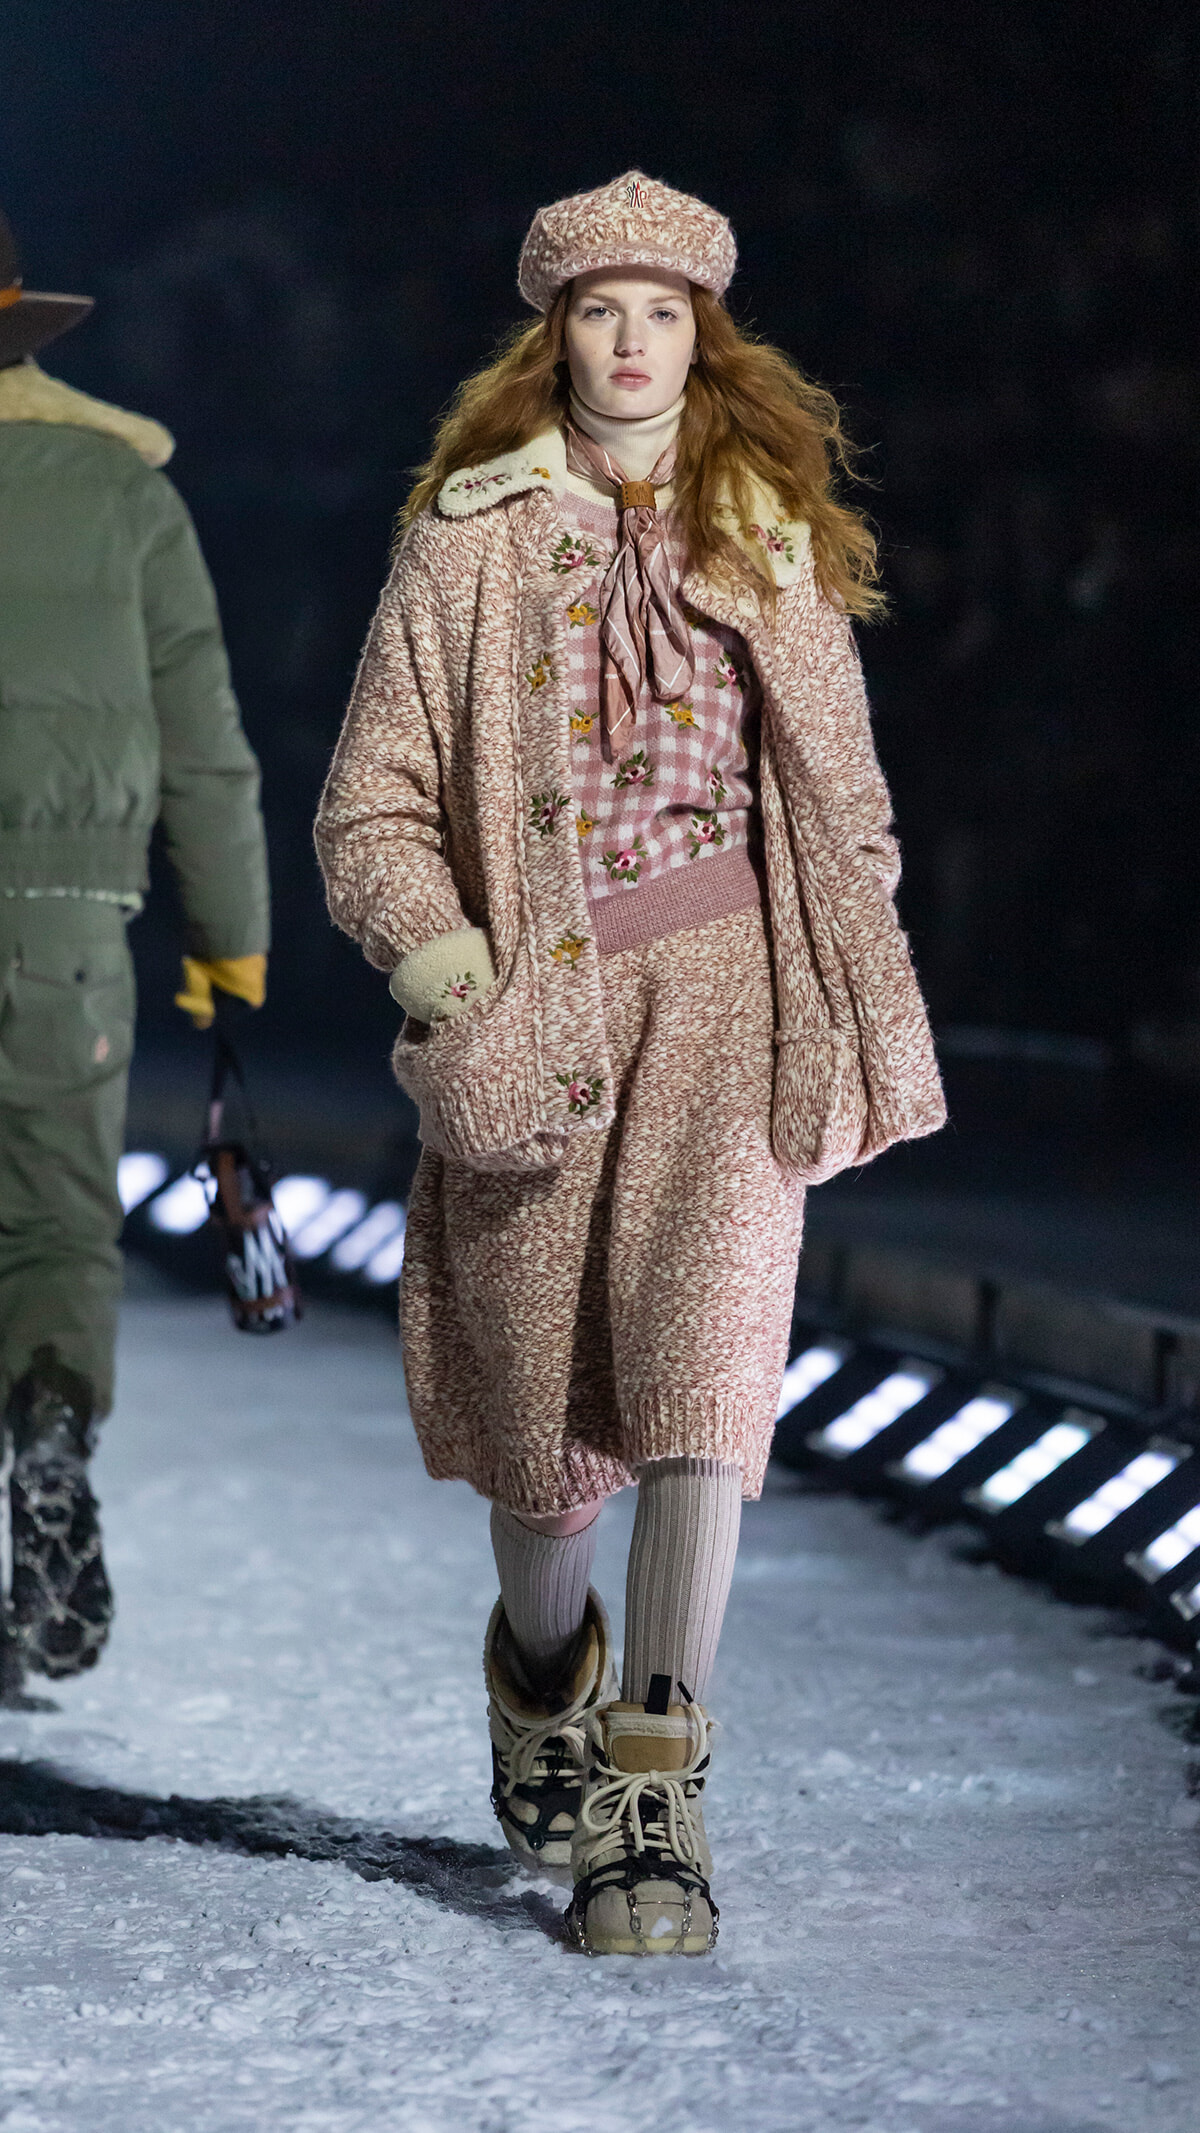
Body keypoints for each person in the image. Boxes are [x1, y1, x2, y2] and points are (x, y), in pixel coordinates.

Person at [316, 171, 944, 1954]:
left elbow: (849, 794)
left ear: (705, 337)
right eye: (601, 310)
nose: (633, 342)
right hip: (536, 1007)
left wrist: (844, 943)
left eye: (665, 312)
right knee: (540, 1447)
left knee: (703, 1387)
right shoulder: (468, 535)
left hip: (729, 1000)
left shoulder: (769, 537)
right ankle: (543, 1674)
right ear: (555, 334)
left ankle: (653, 1799)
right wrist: (455, 983)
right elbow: (367, 809)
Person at [0, 209, 270, 1699]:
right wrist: (227, 945)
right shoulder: (125, 495)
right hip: (67, 929)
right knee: (51, 1227)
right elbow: (206, 745)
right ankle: (46, 1422)